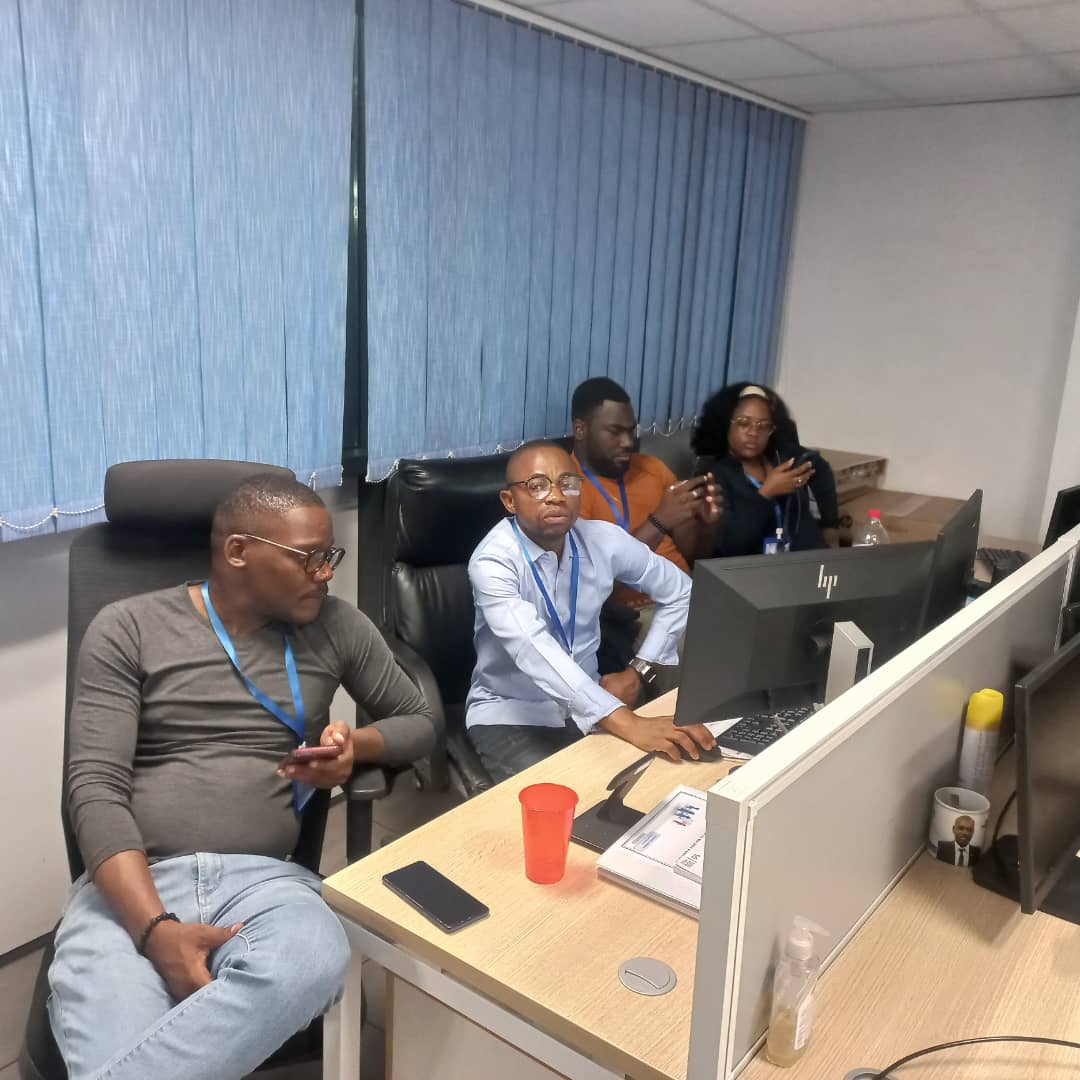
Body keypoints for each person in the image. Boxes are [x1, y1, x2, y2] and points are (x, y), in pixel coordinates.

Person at [49, 474, 436, 1080]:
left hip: (268, 884)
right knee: (112, 1030)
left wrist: (355, 747)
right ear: (237, 551)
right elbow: (94, 789)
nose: (325, 574)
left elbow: (421, 721)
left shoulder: (337, 626)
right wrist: (154, 930)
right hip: (136, 885)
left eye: (329, 556)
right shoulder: (127, 627)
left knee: (315, 956)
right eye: (308, 558)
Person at [465, 442, 716, 782]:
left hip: (592, 706)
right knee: (566, 800)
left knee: (654, 783)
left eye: (567, 483)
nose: (556, 496)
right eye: (537, 486)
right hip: (513, 715)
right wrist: (628, 722)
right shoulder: (493, 562)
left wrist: (639, 671)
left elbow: (681, 590)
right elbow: (533, 649)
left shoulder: (602, 540)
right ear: (510, 501)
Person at [570, 377, 721, 669]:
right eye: (615, 432)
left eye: (631, 430)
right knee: (709, 648)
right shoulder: (567, 488)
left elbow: (695, 555)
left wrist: (706, 525)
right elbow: (591, 586)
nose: (628, 442)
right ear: (580, 429)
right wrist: (659, 521)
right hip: (631, 614)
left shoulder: (652, 468)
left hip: (689, 598)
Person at [692, 382, 840, 557]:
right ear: (725, 424)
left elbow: (819, 468)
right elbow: (729, 545)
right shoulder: (713, 475)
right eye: (743, 423)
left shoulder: (783, 462)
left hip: (796, 566)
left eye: (763, 426)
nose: (754, 432)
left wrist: (830, 529)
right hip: (748, 569)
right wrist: (766, 493)